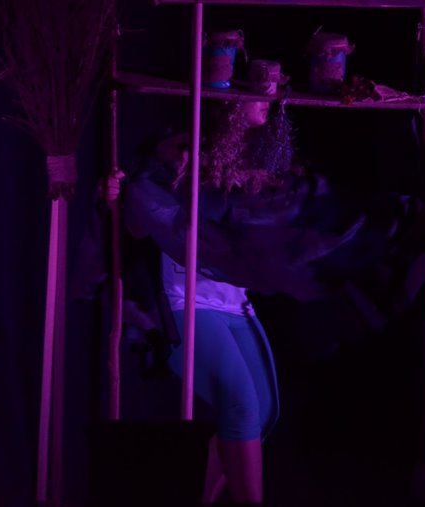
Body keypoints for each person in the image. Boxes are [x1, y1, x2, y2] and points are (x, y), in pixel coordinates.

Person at [106, 66, 293, 505]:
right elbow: (139, 221)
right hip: (187, 300)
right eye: (256, 94)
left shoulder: (255, 156)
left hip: (235, 302)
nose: (267, 100)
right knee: (241, 404)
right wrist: (120, 194)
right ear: (230, 103)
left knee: (264, 414)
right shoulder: (183, 149)